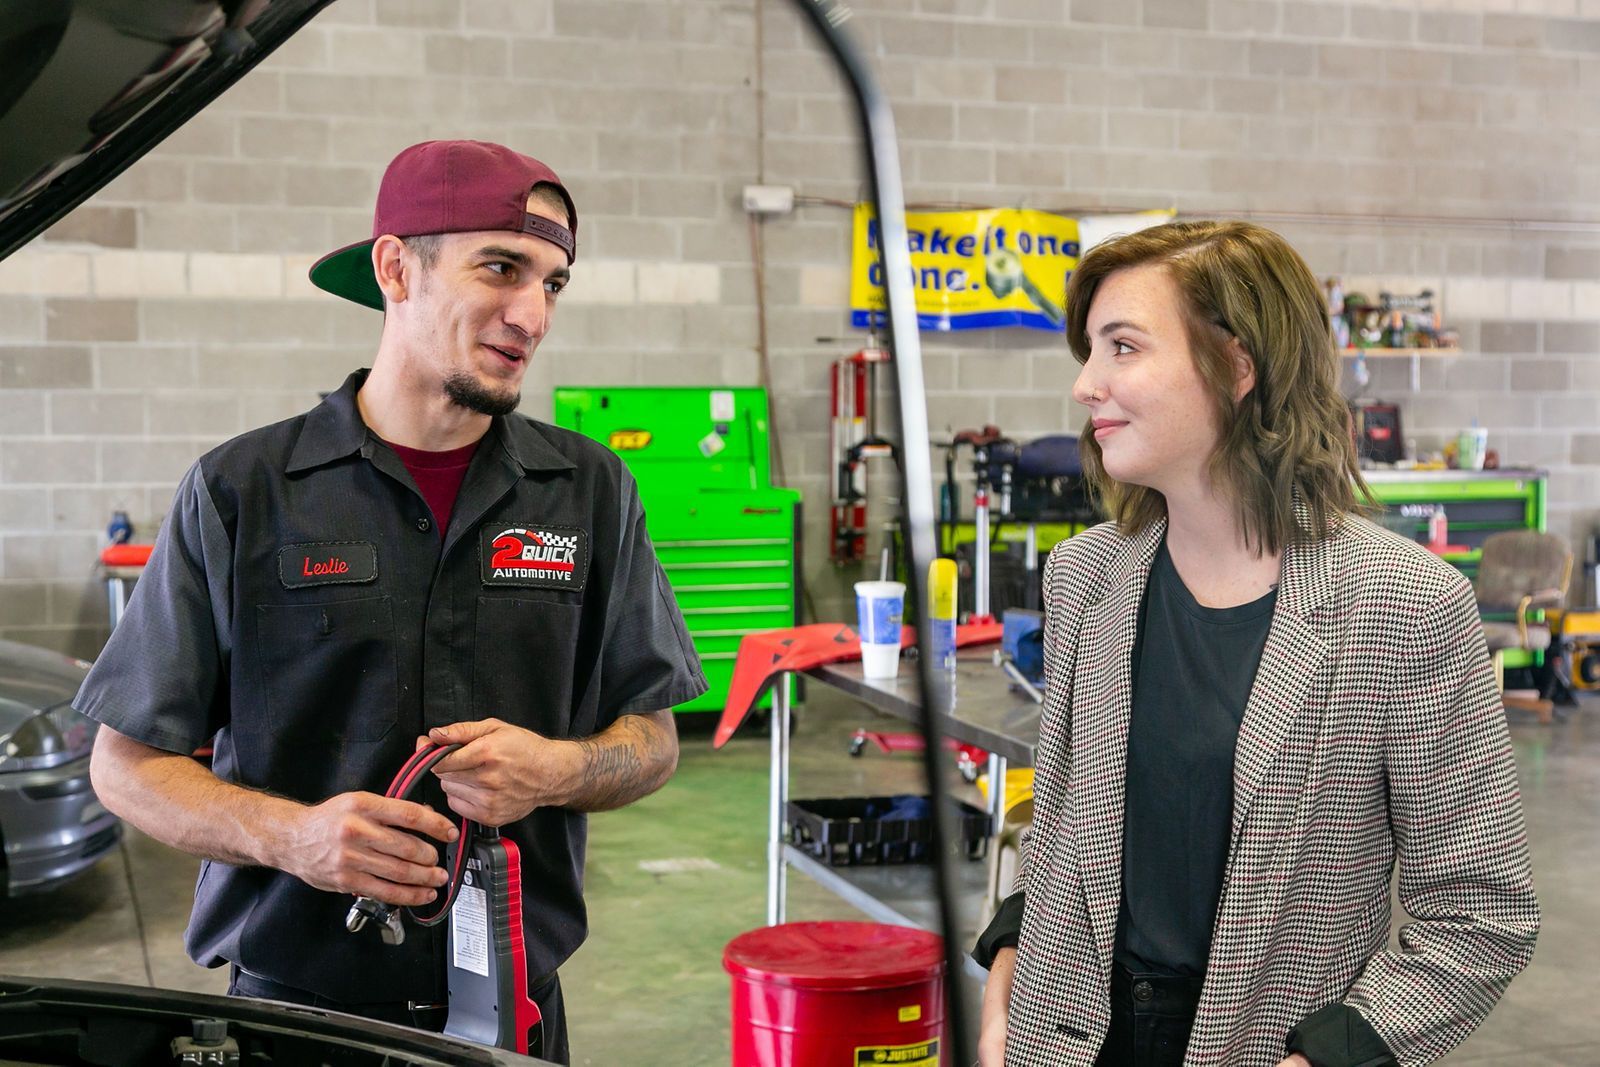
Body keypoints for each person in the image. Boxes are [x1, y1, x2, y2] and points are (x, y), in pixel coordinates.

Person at [77, 140, 707, 1064]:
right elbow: (124, 765)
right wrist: (295, 836)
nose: (531, 314)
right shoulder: (244, 490)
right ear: (394, 267)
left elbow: (650, 740)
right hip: (295, 1019)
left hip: (514, 1020)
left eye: (554, 283)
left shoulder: (589, 492)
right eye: (501, 266)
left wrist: (556, 769)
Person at [974, 220, 1538, 1067]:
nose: (1087, 384)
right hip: (1064, 1035)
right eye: (1089, 351)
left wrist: (1325, 1059)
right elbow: (1060, 823)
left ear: (1237, 366)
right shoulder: (1086, 577)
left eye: (1122, 346)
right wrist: (1006, 983)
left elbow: (1478, 910)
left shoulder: (1404, 608)